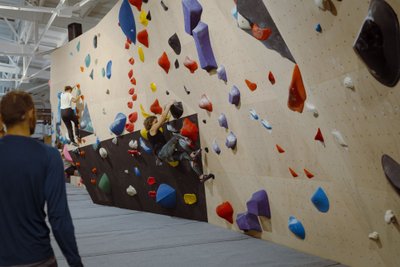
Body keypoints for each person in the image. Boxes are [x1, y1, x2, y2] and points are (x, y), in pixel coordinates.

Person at [0, 91, 83, 267]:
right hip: (37, 257)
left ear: (2, 117)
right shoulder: (49, 156)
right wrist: (75, 262)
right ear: (30, 113)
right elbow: (59, 218)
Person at [143, 100, 215, 183]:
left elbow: (164, 118)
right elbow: (162, 118)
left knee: (188, 157)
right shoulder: (152, 130)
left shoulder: (154, 131)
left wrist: (166, 109)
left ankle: (201, 176)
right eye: (155, 121)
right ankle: (189, 145)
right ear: (151, 123)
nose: (157, 122)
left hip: (166, 157)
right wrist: (169, 105)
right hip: (162, 152)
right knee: (175, 137)